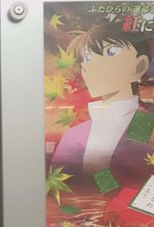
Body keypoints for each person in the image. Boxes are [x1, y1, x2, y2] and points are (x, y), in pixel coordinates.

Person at [51, 22, 153, 180]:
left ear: (139, 66)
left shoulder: (144, 122)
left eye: (111, 52)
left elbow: (136, 173)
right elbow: (61, 186)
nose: (90, 64)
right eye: (87, 57)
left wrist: (99, 183)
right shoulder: (74, 134)